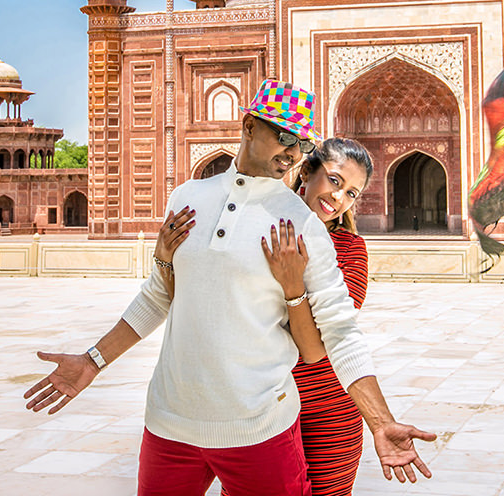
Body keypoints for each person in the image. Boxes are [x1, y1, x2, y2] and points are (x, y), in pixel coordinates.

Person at [23, 80, 434, 496]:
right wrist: (93, 361)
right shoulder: (188, 197)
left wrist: (381, 422)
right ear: (249, 125)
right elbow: (160, 294)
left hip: (260, 428)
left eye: (302, 144)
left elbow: (339, 333)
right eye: (284, 135)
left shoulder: (303, 225)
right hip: (170, 422)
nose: (291, 152)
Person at [155, 137, 374, 496]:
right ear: (306, 171)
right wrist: (167, 258)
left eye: (351, 193)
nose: (339, 198)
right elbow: (197, 302)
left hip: (324, 408)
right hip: (254, 407)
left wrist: (291, 285)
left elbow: (319, 340)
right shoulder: (252, 225)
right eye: (335, 181)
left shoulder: (349, 249)